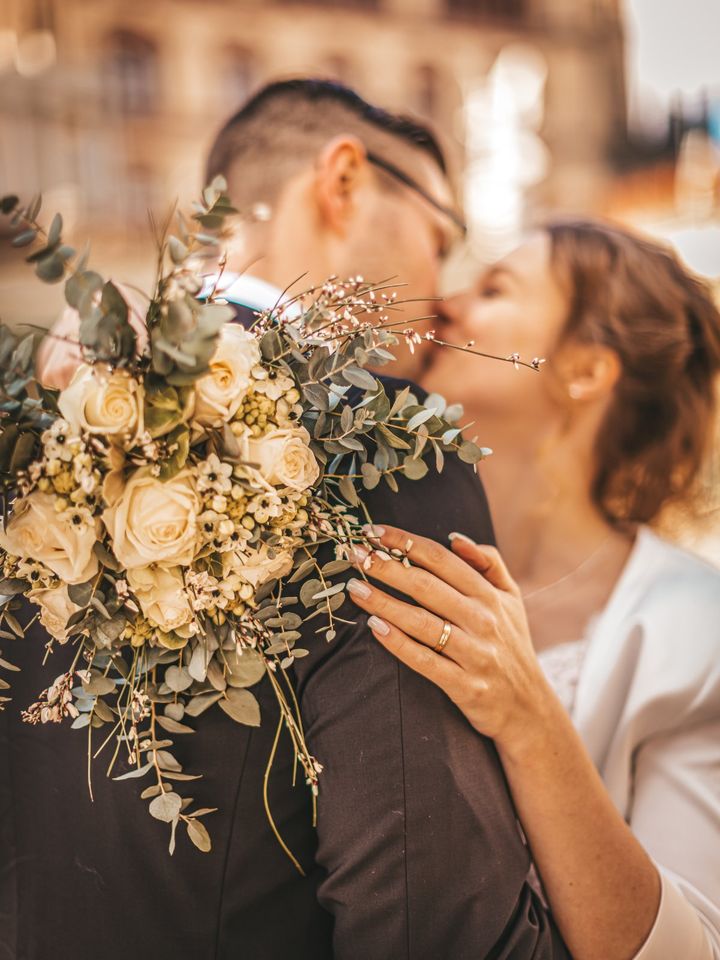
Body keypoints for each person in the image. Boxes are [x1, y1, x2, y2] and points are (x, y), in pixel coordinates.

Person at [2, 80, 568, 959]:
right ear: (343, 180)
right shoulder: (379, 442)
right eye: (440, 239)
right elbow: (432, 916)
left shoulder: (39, 408)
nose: (443, 293)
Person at [347, 219, 720, 960]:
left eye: (494, 288)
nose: (447, 303)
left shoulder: (696, 628)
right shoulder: (361, 540)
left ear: (583, 371)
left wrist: (526, 714)